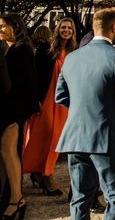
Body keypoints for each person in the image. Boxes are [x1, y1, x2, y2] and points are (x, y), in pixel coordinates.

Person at [55, 8, 115, 220]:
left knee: (80, 196)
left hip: (75, 136)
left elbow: (60, 96)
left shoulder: (72, 57)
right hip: (108, 137)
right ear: (114, 27)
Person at [22, 18, 77, 196]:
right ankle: (44, 174)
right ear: (57, 29)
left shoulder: (75, 51)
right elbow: (34, 76)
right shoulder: (46, 50)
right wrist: (34, 99)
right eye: (63, 27)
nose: (66, 30)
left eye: (69, 28)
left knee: (57, 139)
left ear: (73, 31)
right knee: (44, 137)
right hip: (46, 100)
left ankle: (41, 172)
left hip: (65, 103)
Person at [0, 14, 37, 220]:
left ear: (16, 27)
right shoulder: (6, 48)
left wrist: (19, 114)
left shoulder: (21, 50)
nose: (1, 29)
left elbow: (26, 85)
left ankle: (17, 199)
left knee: (9, 152)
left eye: (5, 26)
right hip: (6, 108)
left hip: (13, 110)